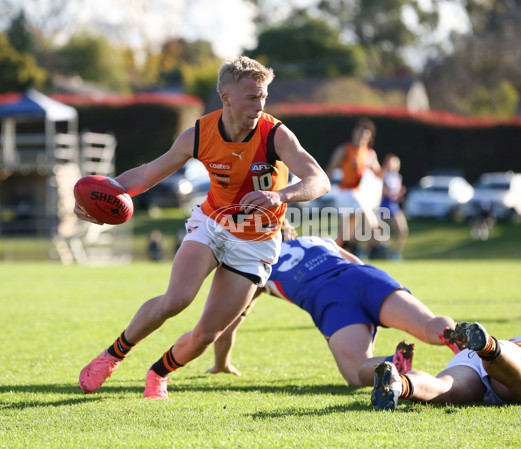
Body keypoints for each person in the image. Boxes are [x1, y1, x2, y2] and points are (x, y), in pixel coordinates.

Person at [75, 56, 330, 399]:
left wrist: (280, 195)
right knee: (176, 299)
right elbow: (148, 174)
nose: (260, 104)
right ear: (226, 97)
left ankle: (158, 372)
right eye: (251, 97)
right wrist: (102, 195)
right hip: (212, 224)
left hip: (257, 244)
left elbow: (320, 180)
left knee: (207, 334)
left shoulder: (276, 134)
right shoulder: (199, 133)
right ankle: (112, 356)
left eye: (264, 96)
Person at [206, 221, 464, 387]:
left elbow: (228, 323)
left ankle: (392, 363)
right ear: (288, 230)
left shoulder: (260, 266)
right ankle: (452, 334)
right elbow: (357, 264)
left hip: (329, 298)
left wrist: (222, 364)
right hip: (364, 278)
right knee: (429, 325)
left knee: (356, 372)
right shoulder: (319, 240)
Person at [371, 310, 521, 410]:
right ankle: (488, 347)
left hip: (491, 351)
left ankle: (398, 384)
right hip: (517, 362)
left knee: (445, 388)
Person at [326, 118, 382, 257]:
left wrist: (388, 167)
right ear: (354, 133)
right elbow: (330, 170)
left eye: (365, 132)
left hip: (358, 193)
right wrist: (322, 187)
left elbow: (378, 173)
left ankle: (336, 253)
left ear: (370, 136)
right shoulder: (345, 150)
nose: (361, 134)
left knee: (346, 233)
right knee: (369, 220)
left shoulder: (369, 153)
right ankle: (367, 246)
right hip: (346, 192)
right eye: (359, 130)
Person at [377, 154, 408, 260]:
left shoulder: (398, 177)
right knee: (375, 233)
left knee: (403, 230)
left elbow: (396, 194)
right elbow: (384, 192)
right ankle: (363, 252)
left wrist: (400, 194)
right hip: (384, 206)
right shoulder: (384, 175)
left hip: (394, 206)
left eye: (397, 162)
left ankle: (395, 253)